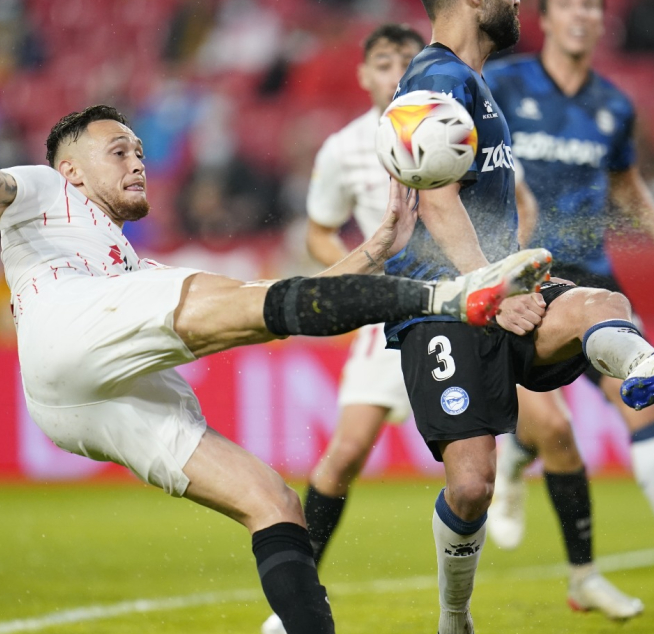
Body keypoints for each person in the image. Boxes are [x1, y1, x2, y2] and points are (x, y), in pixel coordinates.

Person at [0, 105, 551, 634]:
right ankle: (451, 298)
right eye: (118, 151)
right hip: (65, 329)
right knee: (239, 300)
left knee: (275, 502)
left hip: (75, 402)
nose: (138, 162)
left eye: (140, 151)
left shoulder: (126, 264)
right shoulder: (47, 189)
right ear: (71, 170)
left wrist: (376, 247)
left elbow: (290, 295)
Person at [390, 1, 654, 632]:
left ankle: (643, 369)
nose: (516, 2)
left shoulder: (478, 83)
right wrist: (490, 286)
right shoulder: (438, 77)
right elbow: (435, 204)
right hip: (444, 305)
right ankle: (453, 617)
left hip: (503, 289)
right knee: (470, 487)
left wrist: (508, 273)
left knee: (601, 303)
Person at [483, 0, 654, 609]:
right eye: (569, 4)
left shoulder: (614, 105)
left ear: (601, 21)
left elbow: (623, 178)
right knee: (549, 422)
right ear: (548, 16)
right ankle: (516, 458)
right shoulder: (505, 84)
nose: (582, 14)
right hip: (523, 281)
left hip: (592, 280)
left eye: (592, 5)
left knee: (642, 402)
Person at [260, 23, 426, 634]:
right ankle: (297, 602)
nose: (396, 71)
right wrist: (353, 268)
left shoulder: (453, 124)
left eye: (408, 60)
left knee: (535, 428)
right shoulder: (344, 147)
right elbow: (317, 228)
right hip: (387, 310)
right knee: (344, 455)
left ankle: (517, 485)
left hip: (455, 307)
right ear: (364, 75)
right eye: (384, 62)